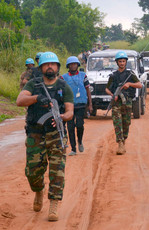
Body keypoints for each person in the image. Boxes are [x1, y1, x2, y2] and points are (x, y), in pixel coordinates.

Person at [16, 52, 74, 221]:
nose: (50, 67)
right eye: (46, 65)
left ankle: (54, 203)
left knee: (57, 171)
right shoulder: (34, 84)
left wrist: (62, 117)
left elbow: (70, 111)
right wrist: (36, 98)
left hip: (56, 135)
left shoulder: (64, 86)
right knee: (32, 172)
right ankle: (38, 190)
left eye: (53, 64)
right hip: (35, 133)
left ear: (57, 67)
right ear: (41, 67)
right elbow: (20, 101)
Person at [105, 51, 142, 155]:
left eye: (123, 61)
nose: (122, 63)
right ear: (117, 63)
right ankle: (120, 143)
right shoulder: (113, 75)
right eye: (120, 61)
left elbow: (140, 85)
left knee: (126, 123)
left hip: (128, 102)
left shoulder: (130, 74)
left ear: (126, 62)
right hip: (117, 103)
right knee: (117, 122)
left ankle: (124, 139)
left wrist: (129, 84)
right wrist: (113, 95)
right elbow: (107, 89)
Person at [61, 56, 93, 156]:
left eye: (75, 64)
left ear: (78, 65)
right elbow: (60, 92)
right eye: (71, 64)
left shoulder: (83, 76)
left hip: (81, 105)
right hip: (68, 106)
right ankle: (73, 149)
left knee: (80, 125)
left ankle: (80, 141)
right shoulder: (63, 78)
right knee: (70, 127)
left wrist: (90, 104)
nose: (73, 66)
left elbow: (88, 90)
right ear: (68, 66)